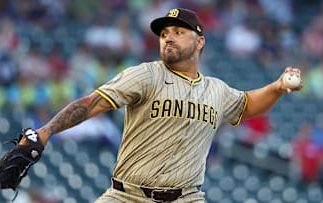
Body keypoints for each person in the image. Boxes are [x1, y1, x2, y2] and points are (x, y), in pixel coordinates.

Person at [20, 8, 302, 202]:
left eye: (179, 31)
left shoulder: (216, 89)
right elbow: (91, 104)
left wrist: (277, 87)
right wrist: (44, 133)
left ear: (200, 41)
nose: (168, 36)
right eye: (165, 32)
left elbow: (248, 105)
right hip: (126, 196)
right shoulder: (146, 74)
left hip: (187, 198)